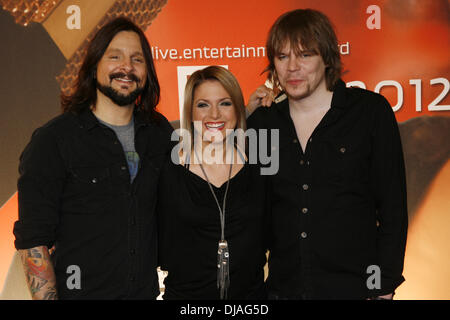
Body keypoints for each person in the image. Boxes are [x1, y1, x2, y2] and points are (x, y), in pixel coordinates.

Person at [247, 9, 408, 300]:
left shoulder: (370, 113)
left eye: (305, 55)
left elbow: (393, 209)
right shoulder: (262, 123)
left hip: (357, 290)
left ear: (327, 58)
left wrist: (383, 287)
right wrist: (245, 119)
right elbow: (252, 213)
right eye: (282, 57)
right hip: (284, 291)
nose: (292, 67)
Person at [13, 17, 173, 299]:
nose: (127, 67)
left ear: (147, 71)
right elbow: (33, 241)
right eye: (115, 57)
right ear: (94, 65)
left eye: (137, 59)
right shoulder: (54, 141)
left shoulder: (159, 133)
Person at [158, 66, 268, 300]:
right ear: (190, 111)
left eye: (225, 103)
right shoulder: (168, 171)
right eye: (203, 104)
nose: (214, 114)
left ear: (238, 109)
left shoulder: (259, 168)